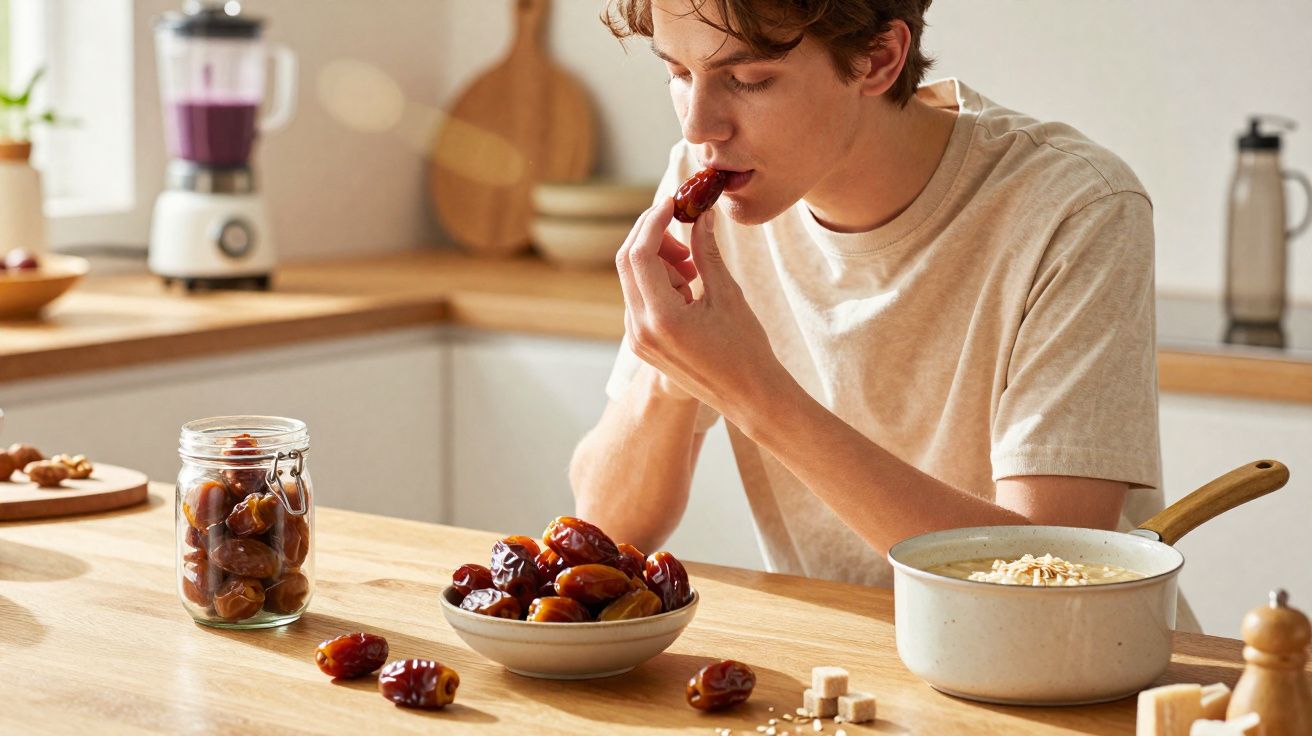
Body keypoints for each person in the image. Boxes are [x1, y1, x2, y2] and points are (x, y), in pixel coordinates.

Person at [570, 0, 1195, 628]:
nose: (700, 125)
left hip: (1072, 678)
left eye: (749, 79)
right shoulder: (711, 181)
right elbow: (607, 525)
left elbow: (1047, 580)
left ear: (878, 58)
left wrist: (751, 389)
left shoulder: (1073, 206)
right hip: (856, 665)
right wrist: (671, 369)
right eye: (678, 73)